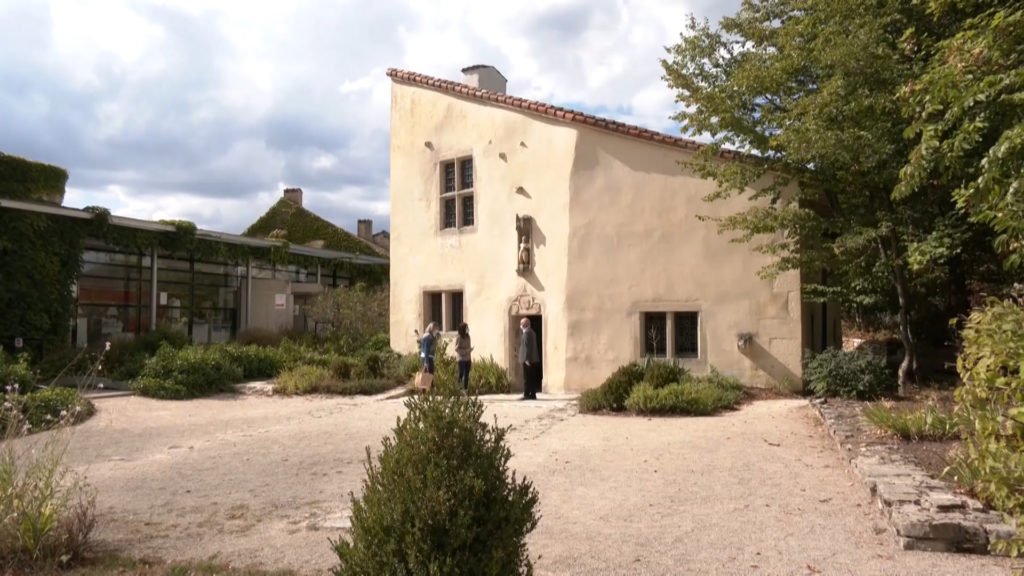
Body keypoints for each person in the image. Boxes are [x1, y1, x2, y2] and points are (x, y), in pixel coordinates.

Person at [518, 317, 540, 400]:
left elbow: (527, 347)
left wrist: (526, 359)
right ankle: (532, 394)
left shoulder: (527, 333)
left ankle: (526, 394)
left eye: (521, 323)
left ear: (525, 324)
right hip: (533, 359)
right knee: (531, 377)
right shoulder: (532, 332)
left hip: (528, 359)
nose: (520, 325)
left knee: (527, 378)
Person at [454, 322, 474, 392]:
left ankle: (465, 390)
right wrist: (466, 351)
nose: (467, 329)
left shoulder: (468, 337)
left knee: (467, 375)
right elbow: (456, 348)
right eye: (466, 328)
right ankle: (458, 389)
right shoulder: (459, 337)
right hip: (461, 359)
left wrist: (470, 350)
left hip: (468, 358)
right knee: (461, 373)